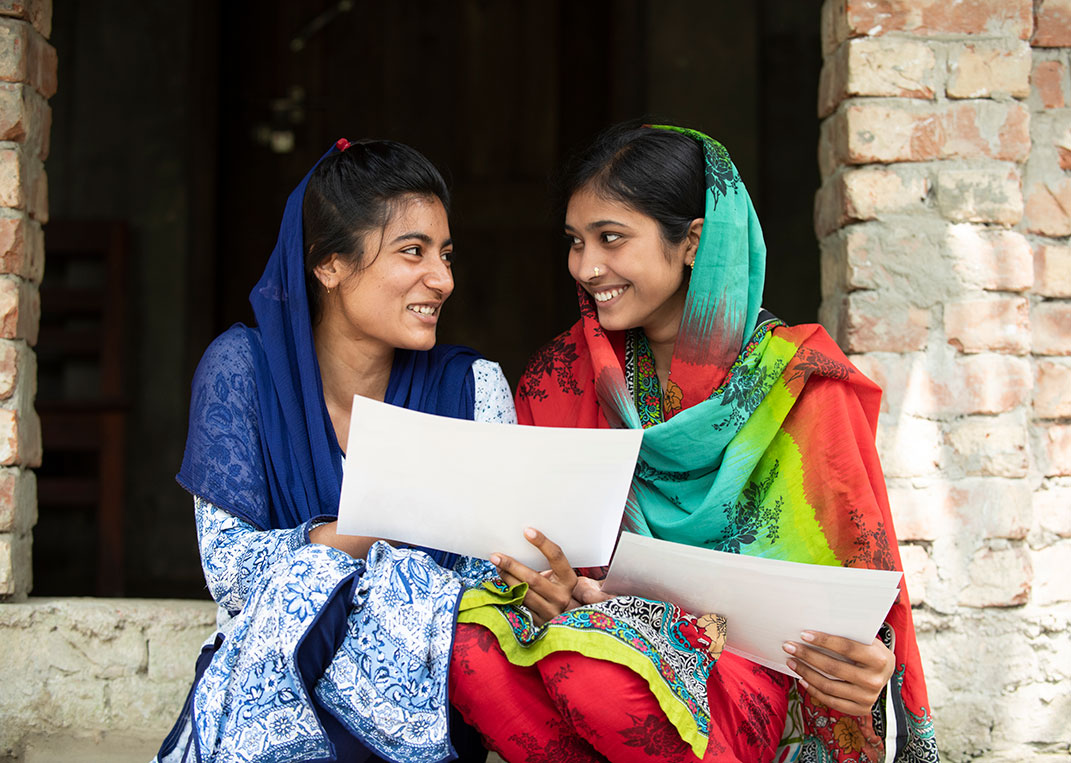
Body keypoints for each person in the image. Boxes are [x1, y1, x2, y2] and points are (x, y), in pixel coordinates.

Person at [449, 124, 939, 762]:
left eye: (611, 238)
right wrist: (547, 591)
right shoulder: (560, 378)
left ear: (693, 241)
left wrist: (869, 667)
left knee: (599, 666)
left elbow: (862, 595)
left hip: (755, 682)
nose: (587, 267)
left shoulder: (799, 386)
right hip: (582, 663)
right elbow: (530, 561)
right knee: (472, 645)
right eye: (575, 242)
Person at [155, 138, 513, 763]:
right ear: (328, 266)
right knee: (309, 580)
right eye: (413, 252)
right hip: (274, 675)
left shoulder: (473, 388)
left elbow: (489, 583)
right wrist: (361, 540)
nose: (444, 280)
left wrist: (339, 555)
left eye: (446, 255)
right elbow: (232, 575)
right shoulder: (241, 371)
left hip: (419, 696)